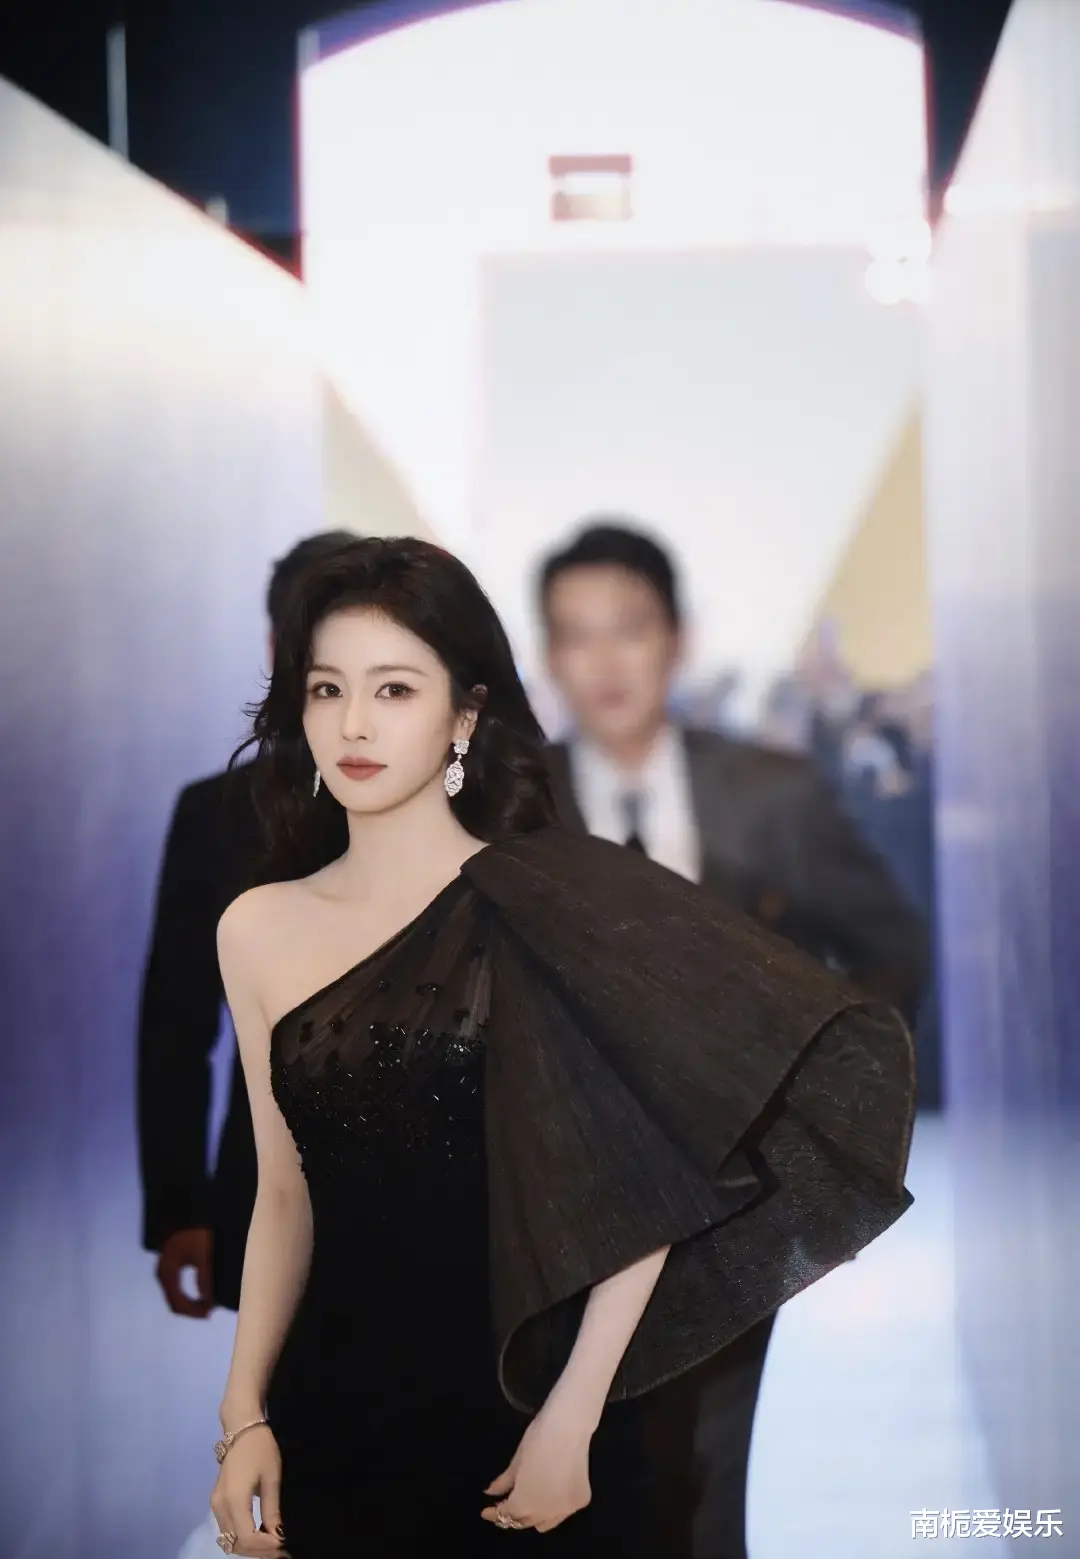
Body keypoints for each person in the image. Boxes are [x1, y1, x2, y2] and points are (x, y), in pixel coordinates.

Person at [207, 535, 915, 1557]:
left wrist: (572, 1416)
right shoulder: (256, 928)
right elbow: (283, 1195)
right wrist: (244, 1413)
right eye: (327, 688)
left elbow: (645, 1178)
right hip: (337, 1402)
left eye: (394, 689)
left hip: (527, 1395)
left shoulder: (547, 901)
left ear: (464, 715)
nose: (354, 723)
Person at [536, 520, 927, 1558]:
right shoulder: (511, 803)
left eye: (629, 628)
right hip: (551, 1220)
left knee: (702, 1487)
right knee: (567, 1491)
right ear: (550, 655)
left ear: (677, 639)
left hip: (729, 1210)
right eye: (577, 634)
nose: (606, 660)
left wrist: (816, 1132)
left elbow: (891, 950)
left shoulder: (770, 792)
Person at [137, 530, 354, 1322]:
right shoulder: (217, 814)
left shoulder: (461, 799)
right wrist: (178, 1205)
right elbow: (176, 1023)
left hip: (448, 1214)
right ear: (275, 649)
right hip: (263, 1194)